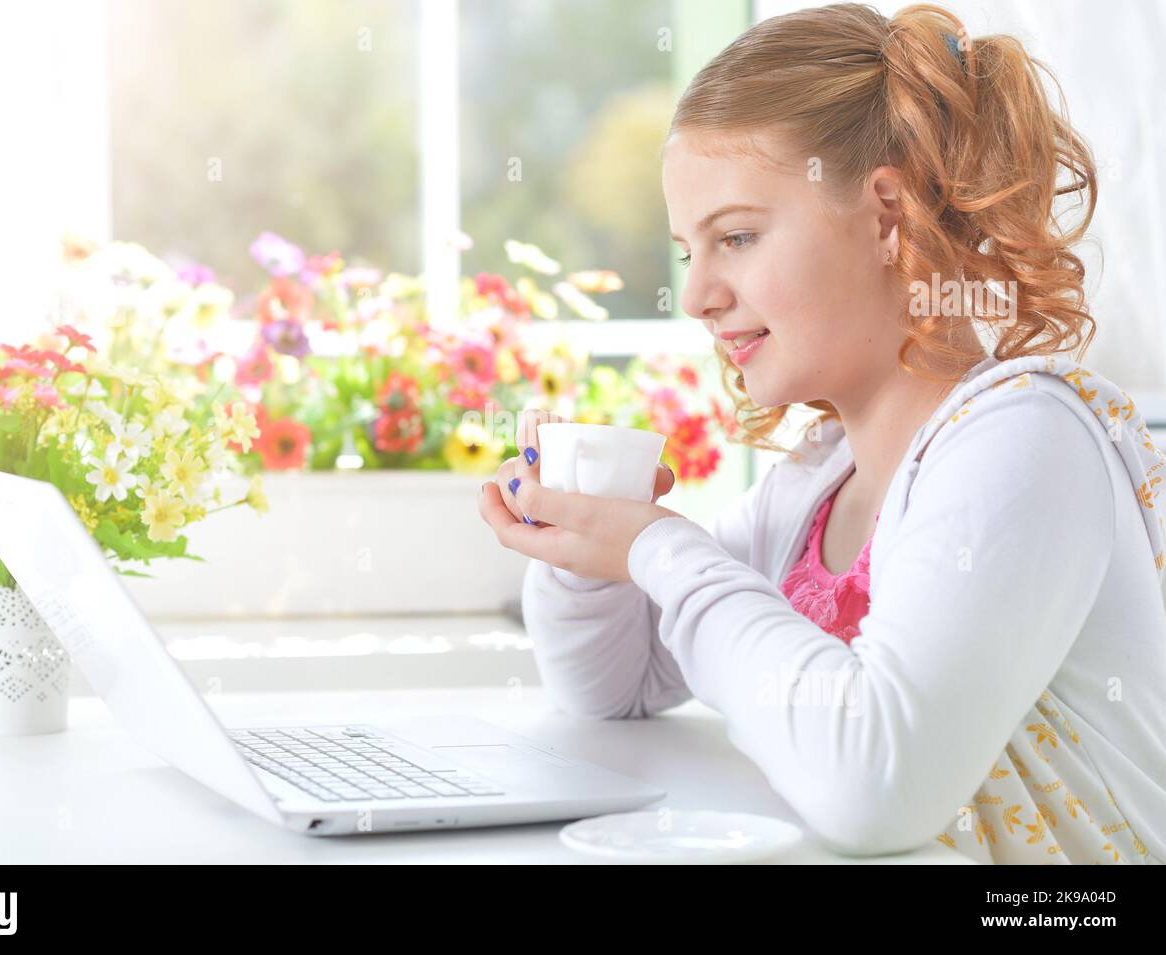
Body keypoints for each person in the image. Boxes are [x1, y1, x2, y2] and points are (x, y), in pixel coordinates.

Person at [477, 2, 1166, 864]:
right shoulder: (817, 485)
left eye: (736, 236)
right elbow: (614, 687)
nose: (695, 297)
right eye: (690, 252)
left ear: (888, 217)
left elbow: (876, 786)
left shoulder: (1026, 437)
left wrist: (659, 549)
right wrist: (591, 554)